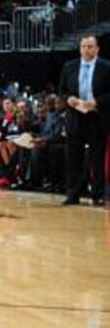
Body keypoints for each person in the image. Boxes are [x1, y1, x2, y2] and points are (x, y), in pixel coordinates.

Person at [59, 34, 109, 206]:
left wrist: (97, 101)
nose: (87, 49)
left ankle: (98, 193)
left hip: (97, 116)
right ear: (79, 48)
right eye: (84, 46)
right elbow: (63, 90)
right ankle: (73, 194)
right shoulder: (69, 66)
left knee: (97, 157)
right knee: (73, 158)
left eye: (90, 46)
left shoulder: (106, 67)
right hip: (75, 116)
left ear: (97, 49)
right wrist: (68, 99)